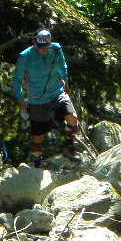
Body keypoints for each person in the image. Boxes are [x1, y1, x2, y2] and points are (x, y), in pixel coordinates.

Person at [12, 28, 79, 164]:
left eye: (46, 47)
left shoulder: (56, 50)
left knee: (73, 117)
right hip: (38, 100)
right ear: (34, 42)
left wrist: (65, 81)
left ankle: (69, 143)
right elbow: (17, 79)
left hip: (57, 92)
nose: (44, 50)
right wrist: (20, 99)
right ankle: (37, 159)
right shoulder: (25, 56)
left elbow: (63, 66)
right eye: (41, 47)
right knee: (38, 135)